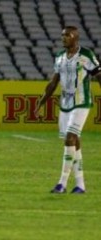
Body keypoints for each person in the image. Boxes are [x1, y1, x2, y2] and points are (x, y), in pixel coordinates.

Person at [34, 26, 101, 194]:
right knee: (74, 143)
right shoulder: (60, 57)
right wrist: (42, 101)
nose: (64, 38)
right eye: (62, 35)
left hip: (81, 103)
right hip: (65, 105)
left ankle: (61, 184)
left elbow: (99, 75)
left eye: (67, 35)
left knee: (70, 139)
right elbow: (53, 82)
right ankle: (80, 185)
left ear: (76, 37)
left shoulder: (86, 55)